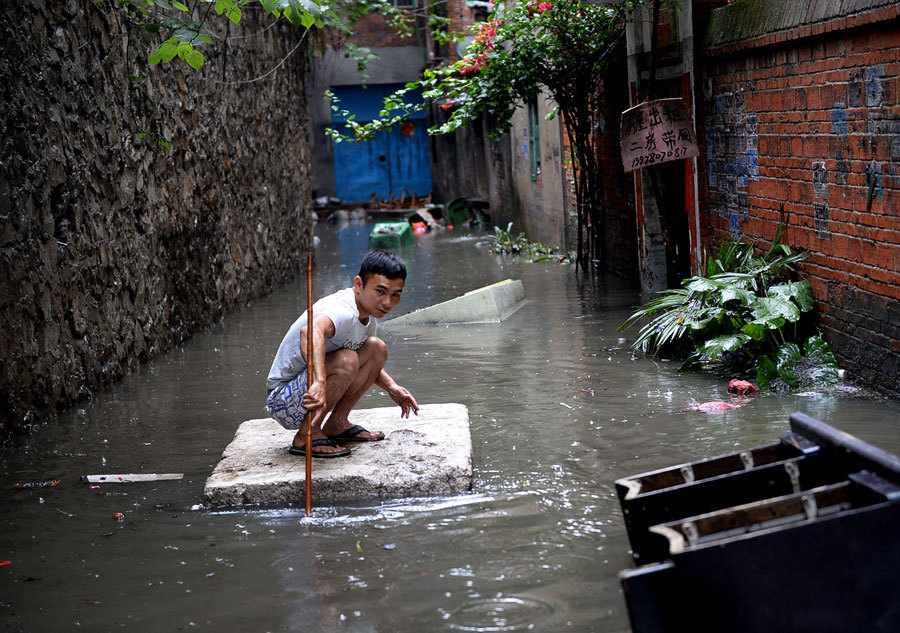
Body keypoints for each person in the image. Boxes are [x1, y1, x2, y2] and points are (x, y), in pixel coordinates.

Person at [266, 250, 419, 457]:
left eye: (395, 295)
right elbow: (310, 332)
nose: (387, 302)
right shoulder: (343, 310)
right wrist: (318, 382)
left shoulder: (367, 316)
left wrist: (392, 387)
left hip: (310, 396)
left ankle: (336, 423)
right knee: (347, 359)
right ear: (358, 284)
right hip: (284, 401)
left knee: (376, 349)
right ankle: (306, 434)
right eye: (380, 291)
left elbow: (367, 361)